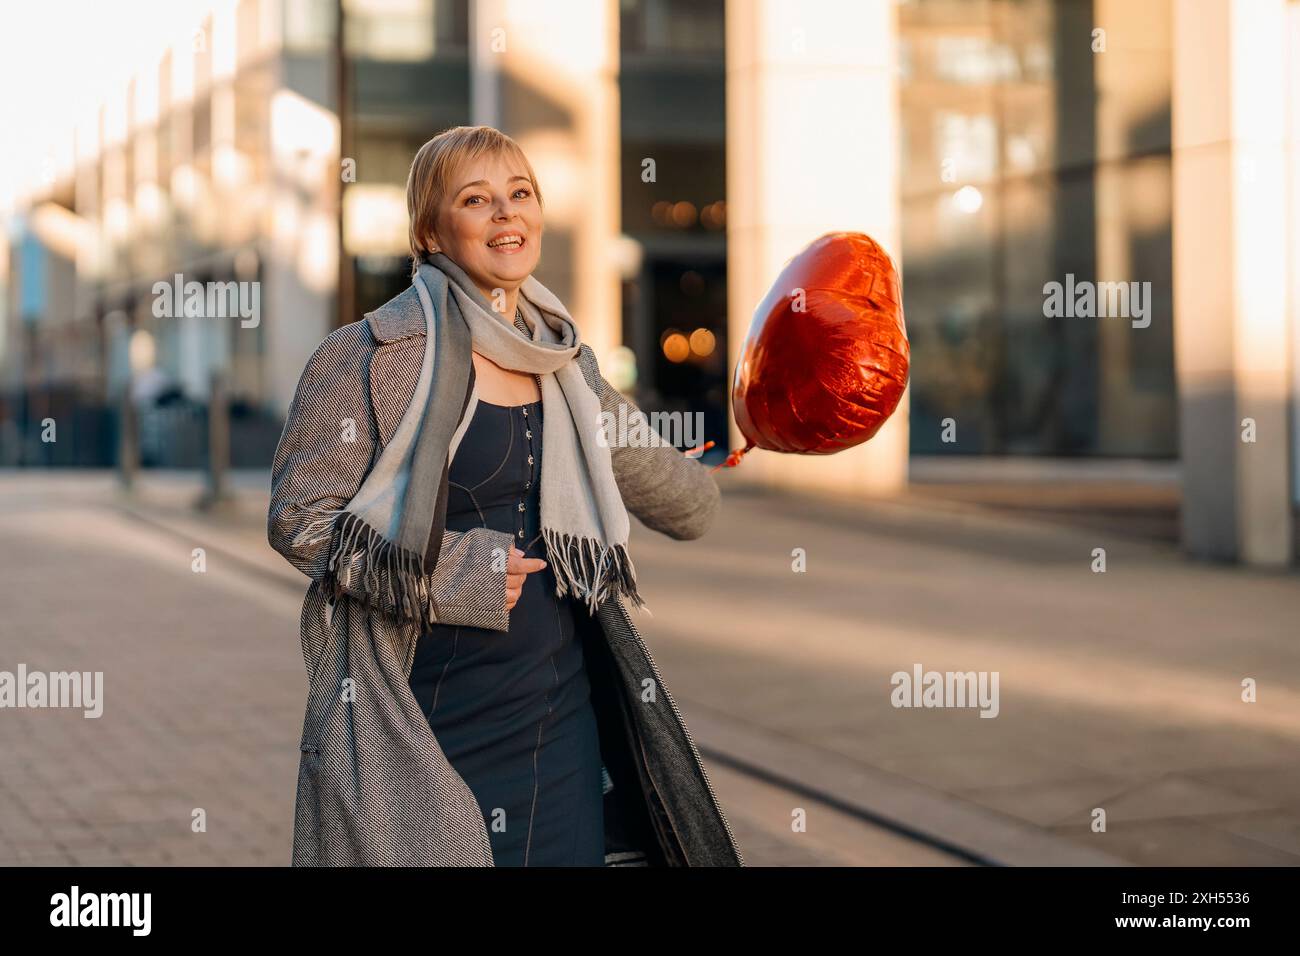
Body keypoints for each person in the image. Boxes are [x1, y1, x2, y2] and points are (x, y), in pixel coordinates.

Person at [268, 125, 744, 867]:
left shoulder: (566, 364)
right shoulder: (366, 357)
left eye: (520, 194)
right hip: (418, 712)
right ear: (430, 230)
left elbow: (689, 507)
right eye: (476, 199)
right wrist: (456, 574)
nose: (506, 214)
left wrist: (753, 425)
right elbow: (300, 520)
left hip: (556, 716)